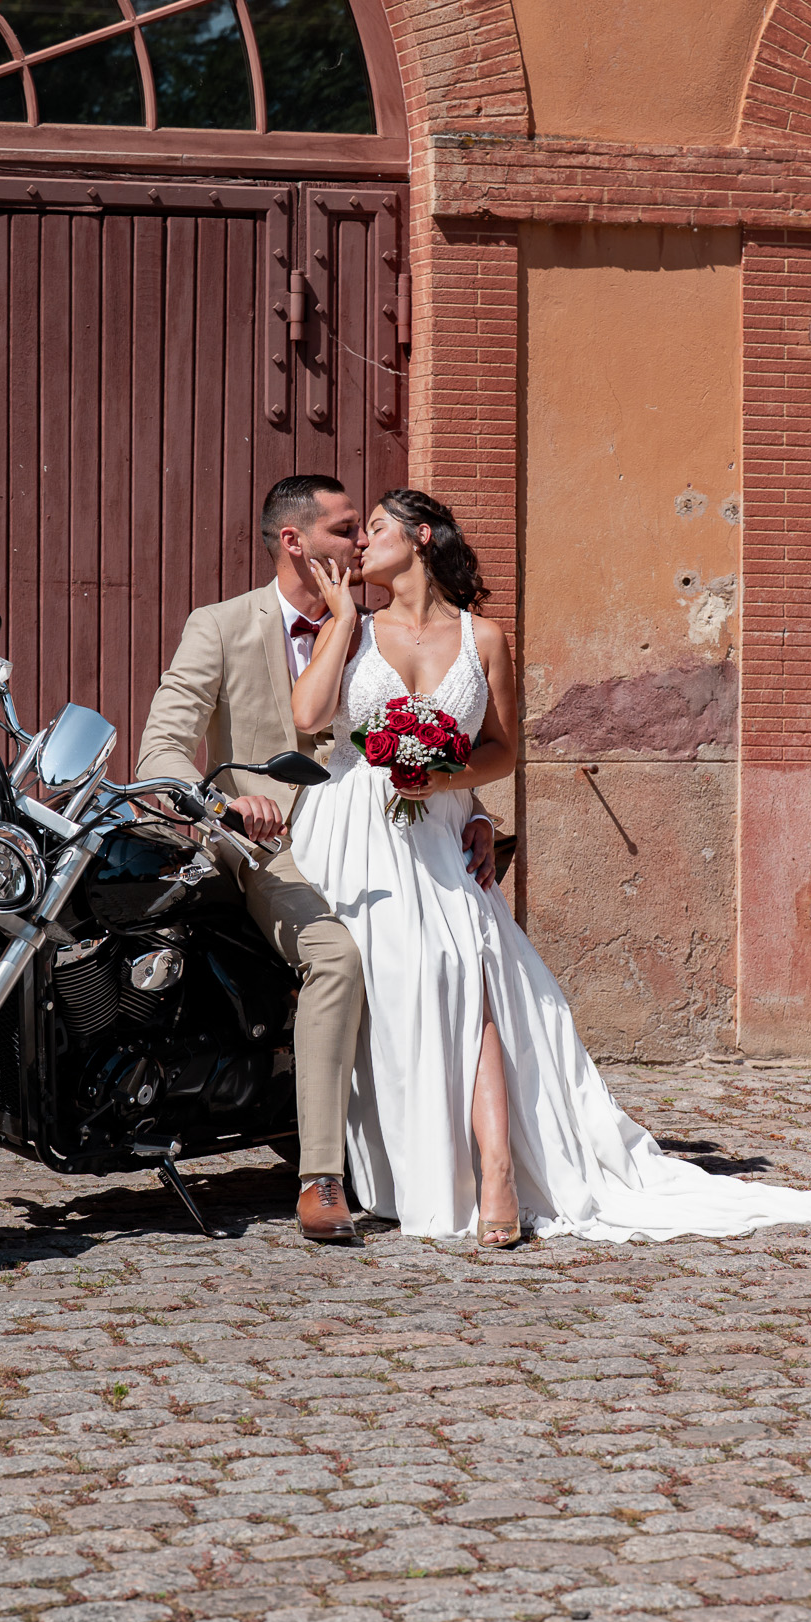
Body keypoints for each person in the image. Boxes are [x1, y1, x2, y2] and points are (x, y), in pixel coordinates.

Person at [288, 488, 811, 1247]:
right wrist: (339, 622)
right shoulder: (352, 628)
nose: (360, 544)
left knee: (477, 970)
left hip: (436, 829)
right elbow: (308, 717)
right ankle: (392, 1163)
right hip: (357, 834)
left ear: (422, 537)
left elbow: (500, 751)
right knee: (402, 986)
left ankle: (496, 1168)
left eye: (375, 528)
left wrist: (448, 784)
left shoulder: (484, 638)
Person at [135, 474, 497, 1246]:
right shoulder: (221, 625)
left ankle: (436, 1157)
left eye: (365, 529)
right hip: (272, 847)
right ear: (294, 541)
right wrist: (224, 805)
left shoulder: (371, 625)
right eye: (344, 529)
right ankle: (321, 1176)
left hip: (377, 837)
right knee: (336, 956)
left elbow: (424, 729)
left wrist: (472, 810)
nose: (361, 542)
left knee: (450, 954)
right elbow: (162, 745)